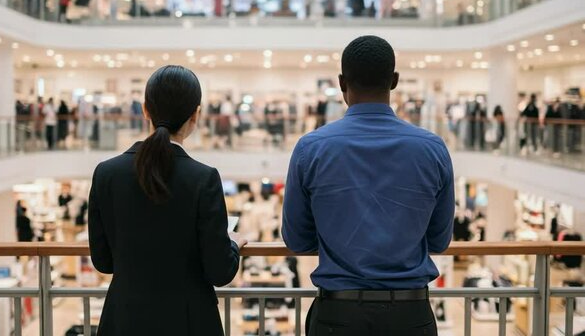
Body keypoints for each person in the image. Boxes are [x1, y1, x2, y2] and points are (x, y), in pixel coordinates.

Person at [282, 35, 454, 335]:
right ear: (395, 81)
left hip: (338, 314)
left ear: (341, 83)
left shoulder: (312, 148)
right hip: (410, 315)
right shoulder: (432, 148)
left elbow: (296, 239)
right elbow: (439, 241)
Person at [88, 65, 246, 335]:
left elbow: (103, 262)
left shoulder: (107, 173)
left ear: (145, 109)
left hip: (125, 320)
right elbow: (220, 272)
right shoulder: (203, 178)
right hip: (188, 321)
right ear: (196, 115)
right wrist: (233, 244)